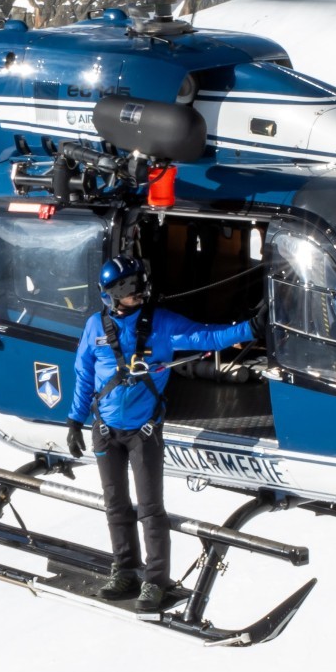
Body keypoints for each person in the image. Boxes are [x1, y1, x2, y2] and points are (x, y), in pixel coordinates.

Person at [65, 255, 260, 618]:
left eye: (141, 288)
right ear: (112, 295)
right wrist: (75, 421)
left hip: (144, 432)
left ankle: (155, 579)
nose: (139, 295)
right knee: (116, 505)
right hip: (105, 430)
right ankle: (124, 571)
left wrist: (251, 328)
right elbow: (83, 374)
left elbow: (208, 335)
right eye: (131, 291)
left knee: (150, 508)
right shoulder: (95, 326)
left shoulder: (162, 323)